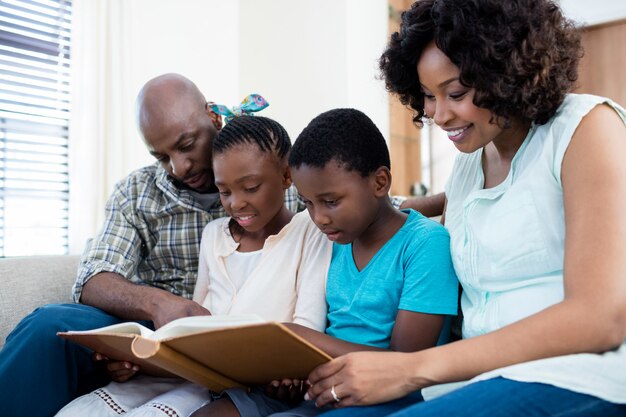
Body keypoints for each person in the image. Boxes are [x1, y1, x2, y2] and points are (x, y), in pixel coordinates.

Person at [303, 1, 626, 416]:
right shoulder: (470, 163)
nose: (438, 114)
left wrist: (410, 368)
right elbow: (466, 206)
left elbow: (599, 318)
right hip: (476, 378)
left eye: (456, 93)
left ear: (508, 72)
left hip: (577, 375)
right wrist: (366, 207)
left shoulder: (586, 129)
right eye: (427, 97)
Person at [0, 74, 307, 417]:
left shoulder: (283, 184)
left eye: (186, 145)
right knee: (47, 327)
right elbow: (92, 277)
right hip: (154, 333)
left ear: (213, 117)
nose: (179, 167)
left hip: (248, 338)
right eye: (162, 157)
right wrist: (158, 305)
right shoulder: (137, 193)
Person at [55, 114, 333, 417]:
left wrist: (292, 370)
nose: (235, 203)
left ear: (286, 177)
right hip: (198, 375)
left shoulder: (312, 231)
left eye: (250, 187)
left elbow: (307, 327)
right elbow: (195, 323)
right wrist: (140, 358)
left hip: (258, 385)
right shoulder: (214, 234)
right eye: (224, 191)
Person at [195, 107, 458, 417]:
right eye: (308, 202)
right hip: (314, 389)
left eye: (331, 202)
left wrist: (300, 340)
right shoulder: (332, 238)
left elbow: (404, 364)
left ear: (380, 182)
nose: (318, 217)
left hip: (386, 396)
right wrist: (292, 367)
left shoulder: (425, 244)